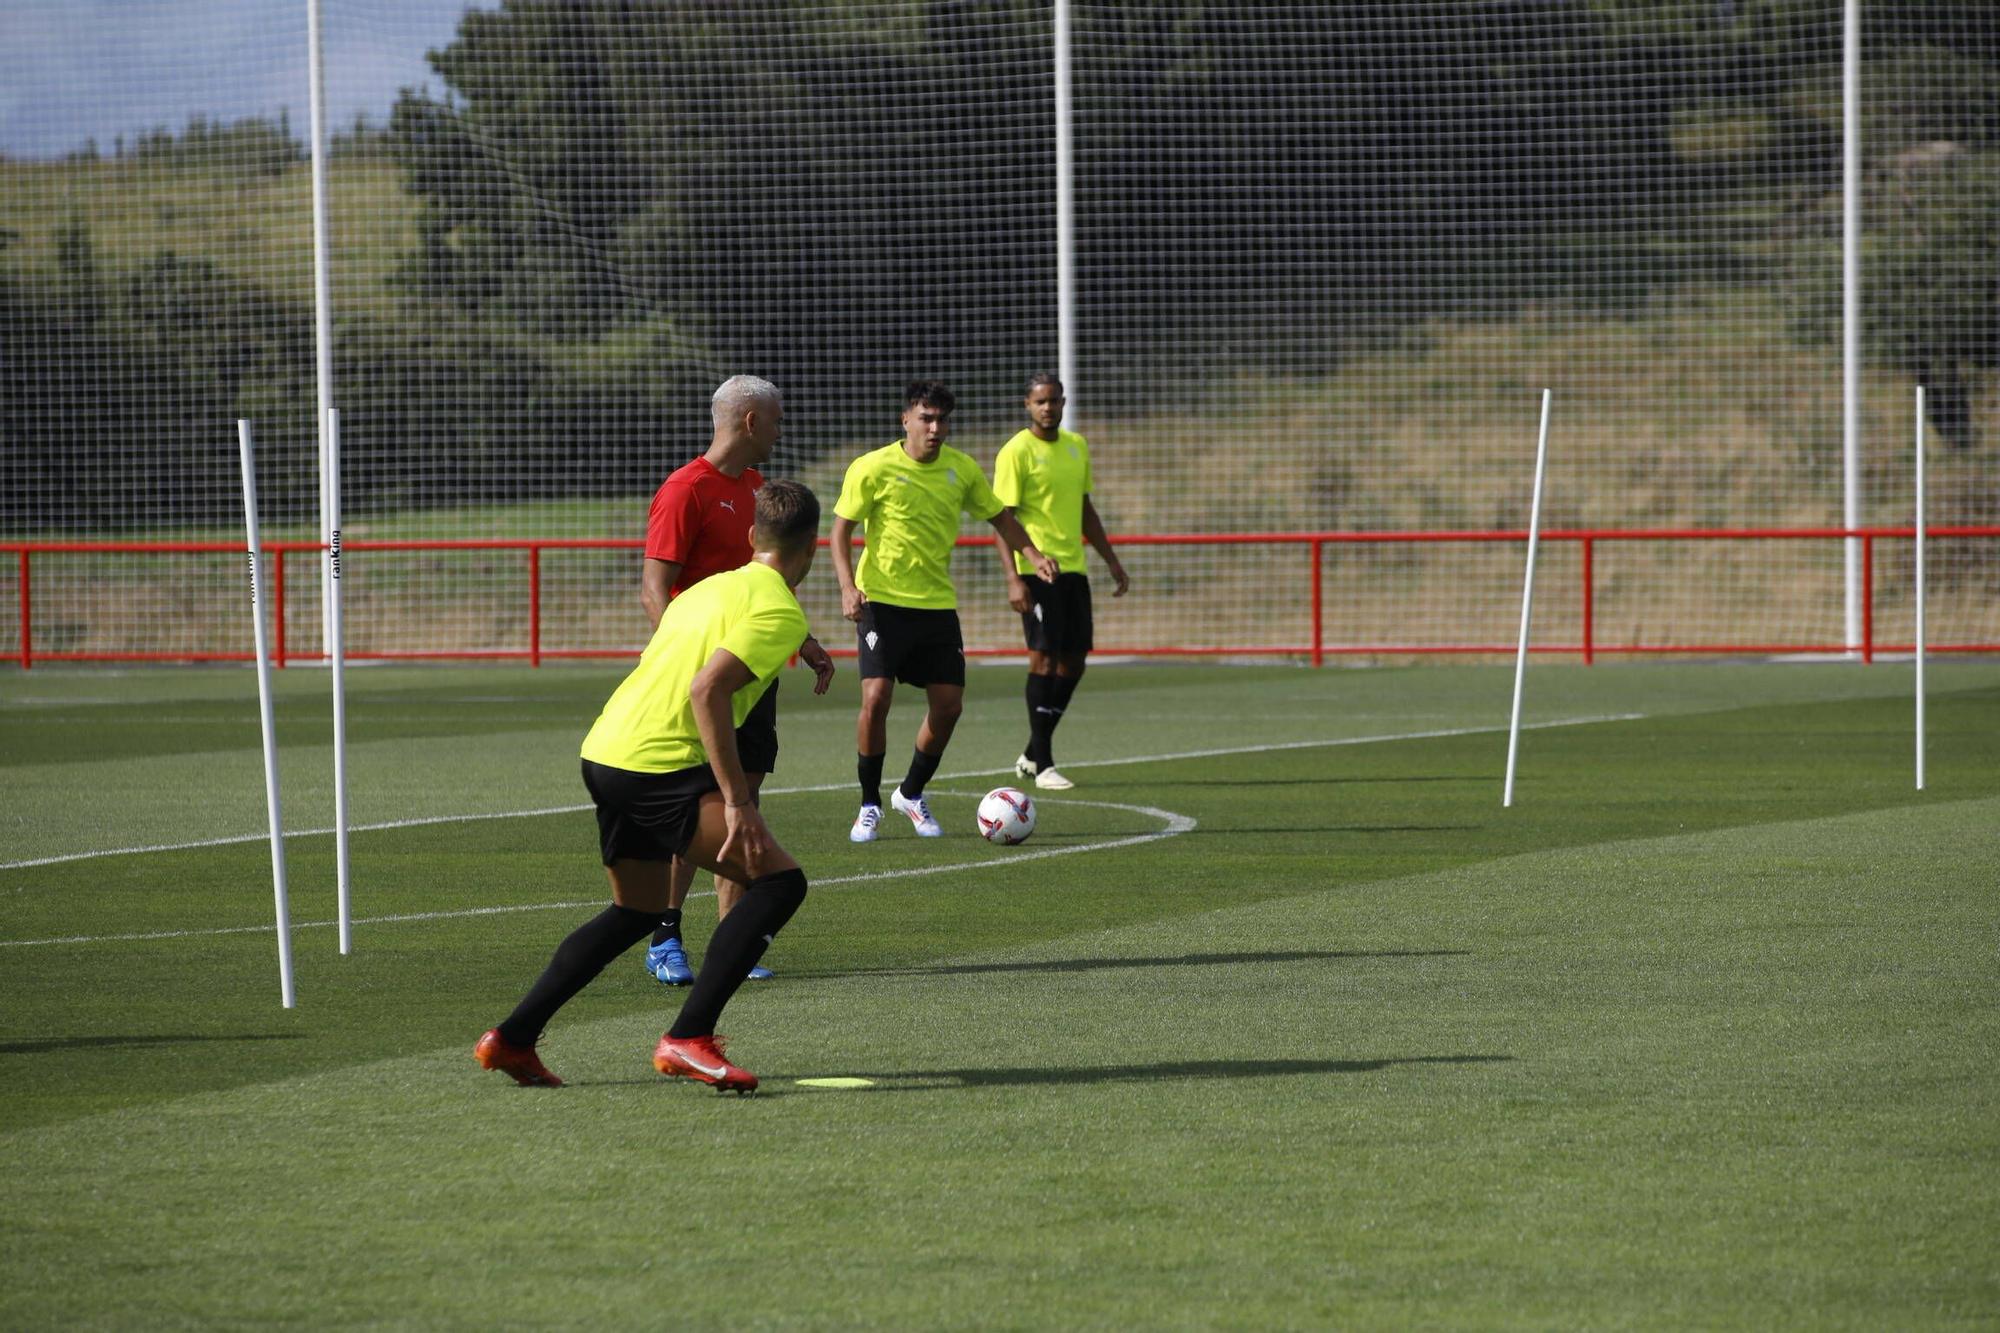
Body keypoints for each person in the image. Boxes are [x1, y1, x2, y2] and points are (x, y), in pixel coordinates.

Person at [474, 479, 829, 1095]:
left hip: (606, 750)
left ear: (750, 537)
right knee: (778, 882)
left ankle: (513, 1037)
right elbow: (706, 690)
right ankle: (689, 1038)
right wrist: (739, 802)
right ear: (814, 550)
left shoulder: (709, 588)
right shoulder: (778, 608)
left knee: (635, 910)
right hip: (657, 764)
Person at [634, 375, 833, 987]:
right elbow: (653, 587)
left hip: (751, 677)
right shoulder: (685, 489)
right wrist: (688, 660)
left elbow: (763, 589)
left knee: (740, 807)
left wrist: (802, 641)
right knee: (697, 810)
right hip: (703, 682)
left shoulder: (757, 492)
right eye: (776, 419)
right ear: (750, 422)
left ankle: (733, 943)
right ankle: (665, 935)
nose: (781, 429)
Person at [830, 380, 1059, 841]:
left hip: (936, 605)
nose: (935, 429)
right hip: (882, 603)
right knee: (876, 700)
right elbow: (841, 530)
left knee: (949, 706)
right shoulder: (872, 467)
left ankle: (910, 793)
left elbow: (1000, 517)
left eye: (942, 420)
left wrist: (1032, 555)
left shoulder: (962, 469)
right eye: (926, 419)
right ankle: (869, 803)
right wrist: (847, 587)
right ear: (906, 421)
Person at [993, 372, 1130, 790]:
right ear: (1027, 405)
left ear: (1063, 403)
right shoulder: (1016, 451)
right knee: (1044, 660)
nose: (1048, 408)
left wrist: (1111, 561)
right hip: (1038, 572)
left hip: (1074, 569)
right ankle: (1045, 763)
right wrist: (1015, 578)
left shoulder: (1076, 447)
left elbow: (1085, 509)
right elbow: (1003, 519)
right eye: (1040, 401)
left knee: (1075, 661)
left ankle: (1034, 751)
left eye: (1054, 401)